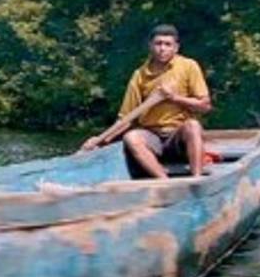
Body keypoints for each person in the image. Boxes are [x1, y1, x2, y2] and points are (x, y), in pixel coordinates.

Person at [79, 24, 212, 177]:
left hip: (178, 136)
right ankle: (164, 181)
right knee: (131, 137)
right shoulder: (140, 75)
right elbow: (126, 118)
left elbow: (205, 106)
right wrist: (100, 140)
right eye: (158, 44)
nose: (162, 48)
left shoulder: (189, 66)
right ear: (150, 46)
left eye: (167, 44)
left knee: (193, 126)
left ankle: (197, 179)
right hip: (152, 137)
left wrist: (174, 98)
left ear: (176, 47)